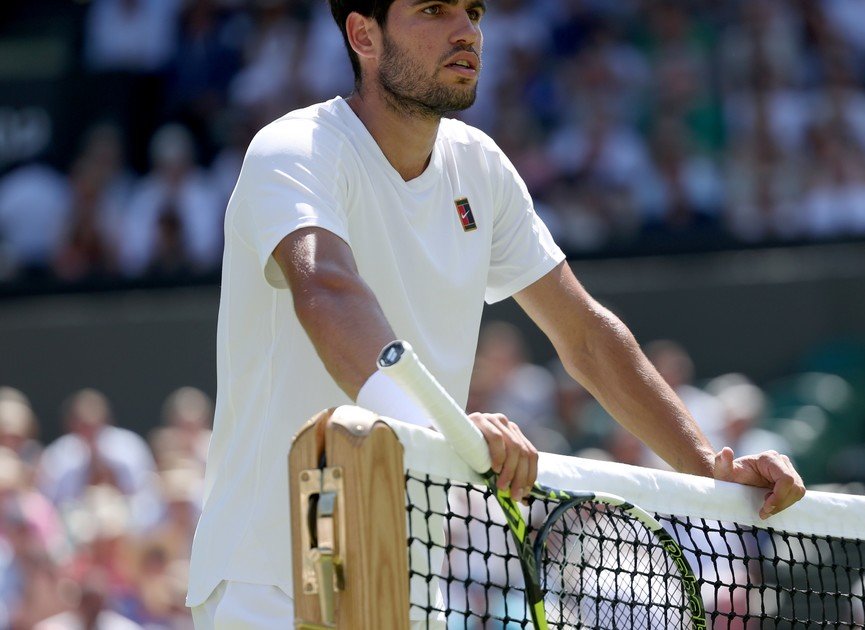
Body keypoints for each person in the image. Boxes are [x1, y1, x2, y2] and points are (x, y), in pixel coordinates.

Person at [186, 1, 807, 627]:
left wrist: (711, 473)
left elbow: (585, 334)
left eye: (473, 11)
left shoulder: (479, 166)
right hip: (267, 578)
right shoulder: (294, 149)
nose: (466, 31)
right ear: (363, 35)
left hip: (403, 582)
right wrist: (449, 430)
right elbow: (326, 289)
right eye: (433, 9)